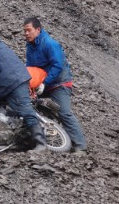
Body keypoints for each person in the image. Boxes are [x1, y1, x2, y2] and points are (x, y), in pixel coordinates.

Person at [23, 17, 87, 155]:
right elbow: (30, 67)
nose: (26, 34)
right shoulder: (30, 46)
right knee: (31, 105)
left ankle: (81, 147)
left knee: (64, 112)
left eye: (29, 30)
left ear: (38, 29)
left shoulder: (50, 44)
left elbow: (57, 65)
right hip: (43, 83)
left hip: (59, 83)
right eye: (24, 31)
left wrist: (45, 83)